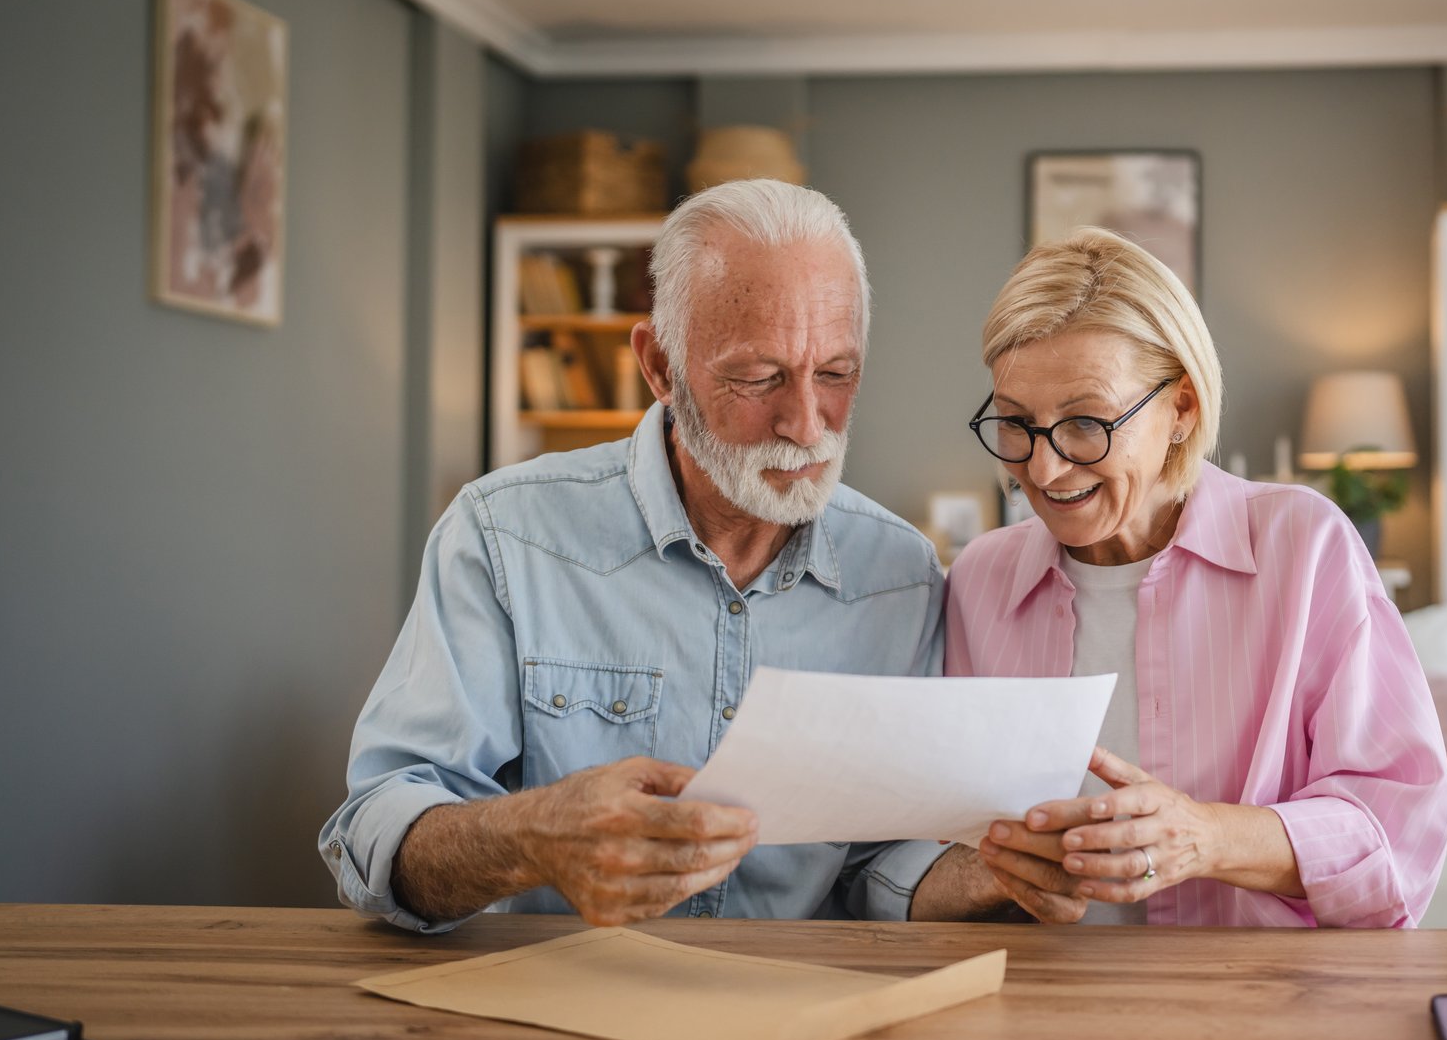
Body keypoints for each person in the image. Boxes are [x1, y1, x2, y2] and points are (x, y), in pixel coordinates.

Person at [320, 180, 1003, 932]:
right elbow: (376, 828)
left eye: (836, 372)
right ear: (659, 366)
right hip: (558, 1011)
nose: (808, 424)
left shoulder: (900, 575)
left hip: (801, 1014)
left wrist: (991, 875)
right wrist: (531, 836)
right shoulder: (503, 536)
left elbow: (876, 860)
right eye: (759, 377)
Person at [948, 228, 1447, 927]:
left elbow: (1397, 837)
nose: (1044, 470)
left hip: (1257, 1002)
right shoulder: (979, 580)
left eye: (1086, 423)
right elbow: (942, 837)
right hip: (1035, 996)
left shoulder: (1302, 547)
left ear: (1180, 408)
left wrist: (1206, 837)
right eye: (1015, 423)